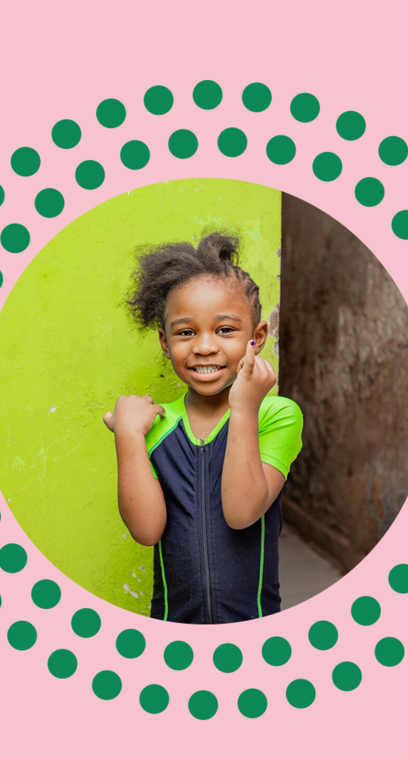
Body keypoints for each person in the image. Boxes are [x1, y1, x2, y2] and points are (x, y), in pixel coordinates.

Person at [103, 232, 303, 624]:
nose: (205, 347)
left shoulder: (275, 415)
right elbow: (146, 531)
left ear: (257, 337)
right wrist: (128, 437)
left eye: (225, 330)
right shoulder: (155, 426)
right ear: (165, 341)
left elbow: (242, 512)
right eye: (186, 332)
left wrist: (243, 410)